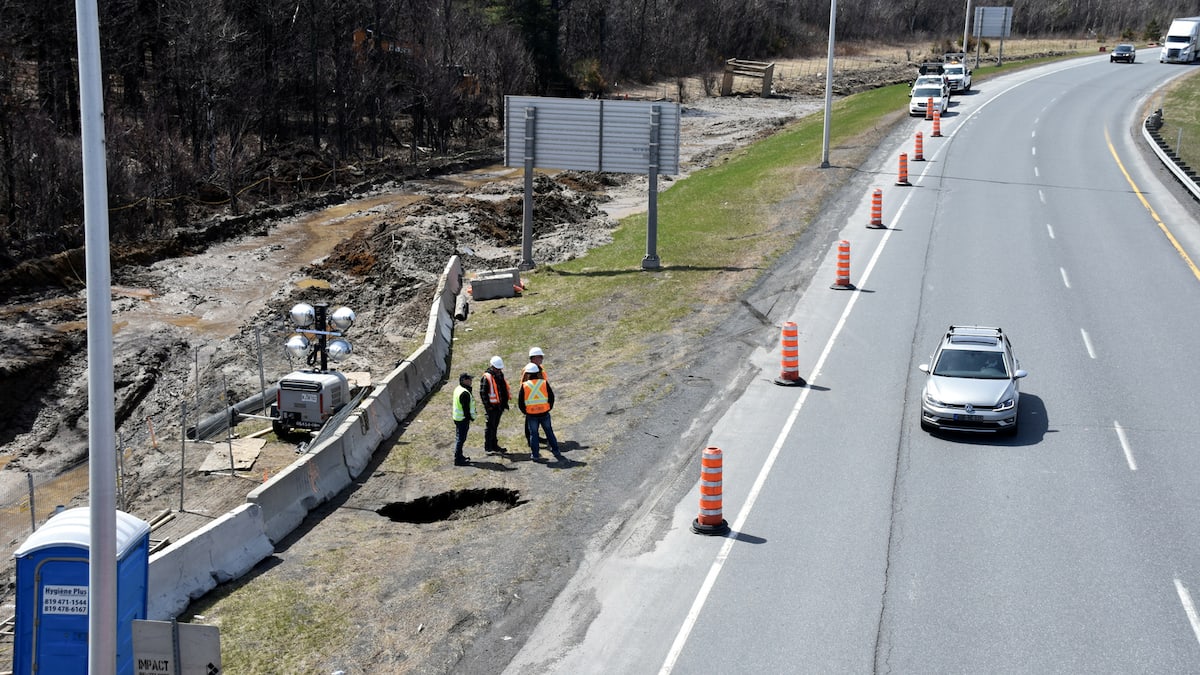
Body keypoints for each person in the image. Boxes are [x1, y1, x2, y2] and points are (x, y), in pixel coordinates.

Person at [517, 362, 563, 462]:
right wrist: (548, 407)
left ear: (527, 374)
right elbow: (551, 397)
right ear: (538, 373)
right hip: (544, 413)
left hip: (531, 414)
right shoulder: (544, 383)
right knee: (549, 432)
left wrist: (526, 412)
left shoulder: (524, 386)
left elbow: (520, 402)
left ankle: (535, 455)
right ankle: (556, 450)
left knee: (534, 434)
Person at [479, 355, 510, 454]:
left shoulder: (500, 374)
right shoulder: (486, 377)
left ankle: (494, 445)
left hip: (499, 406)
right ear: (492, 367)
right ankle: (488, 446)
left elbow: (503, 389)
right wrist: (488, 407)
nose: (499, 370)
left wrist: (505, 402)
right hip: (492, 408)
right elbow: (483, 393)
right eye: (497, 369)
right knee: (490, 427)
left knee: (495, 426)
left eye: (500, 369)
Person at [451, 373, 476, 466]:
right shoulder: (464, 393)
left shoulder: (458, 389)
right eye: (469, 379)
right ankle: (458, 459)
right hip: (462, 419)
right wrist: (470, 418)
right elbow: (466, 409)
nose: (471, 381)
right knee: (461, 439)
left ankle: (459, 456)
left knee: (460, 438)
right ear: (464, 381)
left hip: (457, 417)